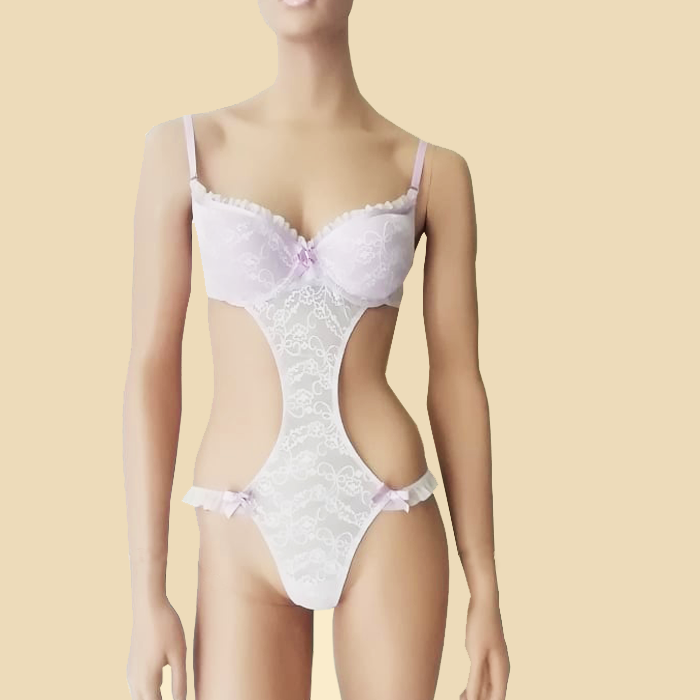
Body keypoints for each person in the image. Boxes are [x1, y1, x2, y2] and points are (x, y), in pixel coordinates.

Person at [123, 1, 509, 698]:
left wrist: (485, 584)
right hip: (241, 522)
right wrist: (147, 592)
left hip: (387, 514)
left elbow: (457, 381)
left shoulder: (432, 170)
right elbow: (153, 369)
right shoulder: (184, 149)